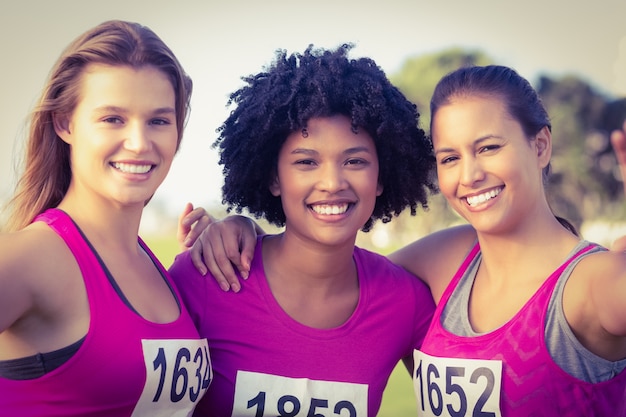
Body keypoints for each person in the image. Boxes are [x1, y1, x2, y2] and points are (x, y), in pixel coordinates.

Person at [191, 65, 626, 415]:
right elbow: (328, 268)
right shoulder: (446, 259)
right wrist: (242, 227)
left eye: (490, 147)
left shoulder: (592, 282)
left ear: (541, 146)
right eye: (450, 157)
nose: (470, 174)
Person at [168, 44, 436, 417]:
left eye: (355, 160)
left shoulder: (405, 302)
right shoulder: (207, 277)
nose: (332, 182)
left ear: (381, 177)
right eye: (306, 162)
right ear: (274, 177)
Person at [0, 20, 212, 416]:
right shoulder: (32, 257)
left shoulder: (156, 266)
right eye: (113, 118)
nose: (138, 142)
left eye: (159, 121)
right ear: (65, 123)